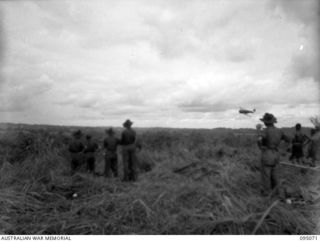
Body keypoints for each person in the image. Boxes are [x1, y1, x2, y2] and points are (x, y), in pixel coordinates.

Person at [257, 113, 290, 197]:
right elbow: (288, 140)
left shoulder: (265, 131)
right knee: (275, 175)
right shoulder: (279, 131)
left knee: (266, 175)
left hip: (267, 153)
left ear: (266, 122)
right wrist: (284, 150)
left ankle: (267, 194)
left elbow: (259, 140)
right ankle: (277, 192)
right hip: (276, 154)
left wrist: (261, 146)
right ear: (273, 121)